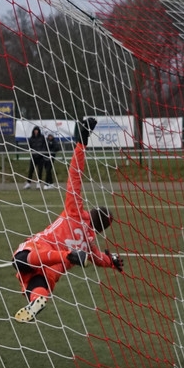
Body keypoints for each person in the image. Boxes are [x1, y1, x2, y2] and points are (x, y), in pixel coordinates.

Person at [12, 117, 124, 323]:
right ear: (100, 230)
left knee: (19, 259)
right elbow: (98, 259)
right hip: (52, 271)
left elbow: (75, 176)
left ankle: (64, 259)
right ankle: (37, 299)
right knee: (38, 286)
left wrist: (81, 142)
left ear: (91, 211)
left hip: (42, 252)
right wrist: (112, 261)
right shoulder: (88, 243)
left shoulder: (76, 213)